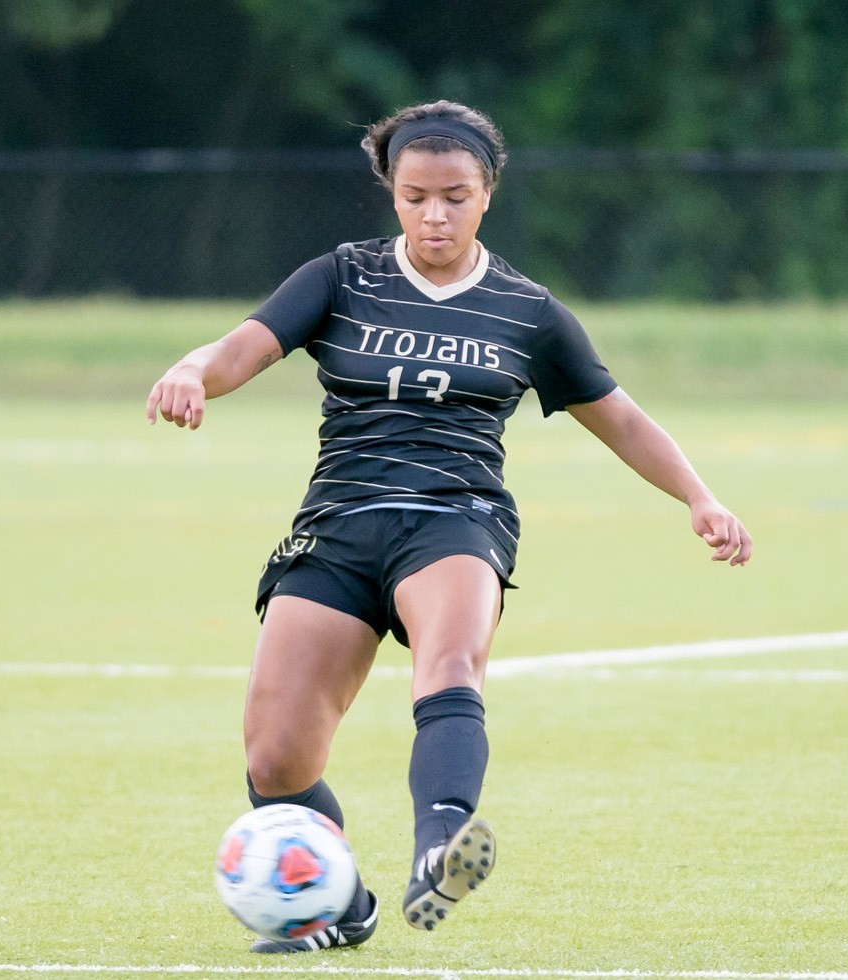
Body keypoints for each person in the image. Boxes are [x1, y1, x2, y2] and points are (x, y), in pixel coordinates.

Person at [145, 101, 752, 953]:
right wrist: (190, 370)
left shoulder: (527, 310)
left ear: (488, 194)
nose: (435, 214)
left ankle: (442, 845)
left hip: (455, 517)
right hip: (341, 519)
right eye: (416, 195)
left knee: (450, 659)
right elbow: (244, 346)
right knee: (277, 760)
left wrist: (700, 496)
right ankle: (339, 902)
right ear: (392, 192)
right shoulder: (341, 276)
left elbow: (619, 418)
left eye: (456, 197)